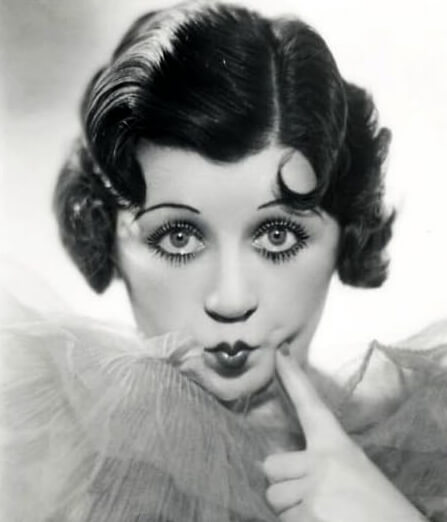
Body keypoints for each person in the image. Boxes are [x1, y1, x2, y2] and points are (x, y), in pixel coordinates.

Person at [1, 1, 446, 521]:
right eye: (178, 238)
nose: (231, 300)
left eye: (277, 236)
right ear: (109, 237)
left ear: (347, 232)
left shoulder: (428, 453)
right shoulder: (38, 467)